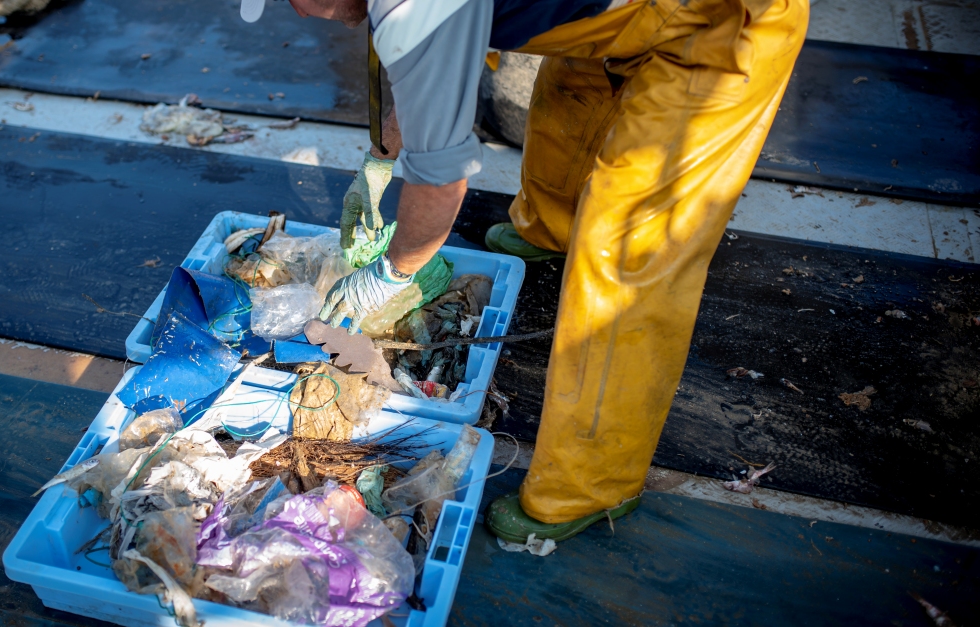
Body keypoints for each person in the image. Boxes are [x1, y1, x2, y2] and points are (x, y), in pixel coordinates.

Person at [239, 0, 807, 543]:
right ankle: (552, 231)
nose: (296, 13)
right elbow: (424, 78)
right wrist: (382, 161)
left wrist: (392, 271)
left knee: (628, 250)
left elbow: (441, 177)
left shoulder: (419, 7)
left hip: (720, 27)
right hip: (618, 18)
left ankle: (589, 485)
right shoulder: (411, 13)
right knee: (571, 94)